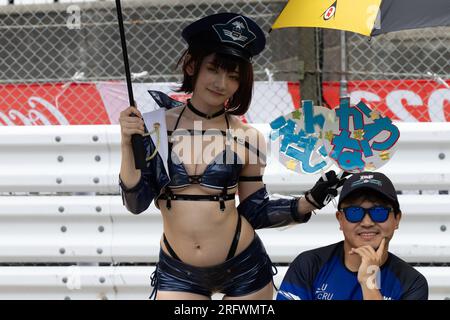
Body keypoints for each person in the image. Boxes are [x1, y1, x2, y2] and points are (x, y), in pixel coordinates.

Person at [119, 12, 345, 300]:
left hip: (245, 270)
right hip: (178, 273)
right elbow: (136, 203)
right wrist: (128, 143)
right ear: (191, 65)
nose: (221, 82)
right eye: (213, 68)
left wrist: (310, 201)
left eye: (233, 75)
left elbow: (255, 211)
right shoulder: (155, 127)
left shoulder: (248, 138)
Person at [277, 171, 429, 300]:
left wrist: (369, 283)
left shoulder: (412, 283)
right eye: (354, 212)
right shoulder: (309, 265)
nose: (367, 222)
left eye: (379, 212)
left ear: (397, 219)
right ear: (340, 220)